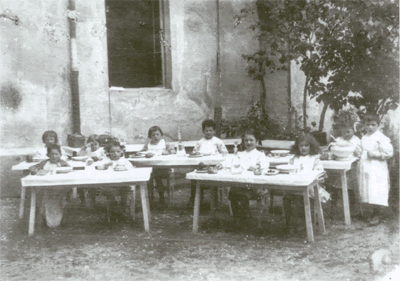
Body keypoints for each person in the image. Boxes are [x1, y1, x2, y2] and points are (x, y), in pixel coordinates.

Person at [218, 128, 270, 222]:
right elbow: (231, 161)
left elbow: (265, 164)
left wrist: (257, 166)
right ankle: (238, 218)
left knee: (243, 194)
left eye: (251, 140)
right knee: (233, 193)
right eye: (246, 140)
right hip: (241, 184)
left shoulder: (260, 155)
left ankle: (245, 217)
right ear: (243, 142)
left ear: (257, 141)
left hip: (254, 186)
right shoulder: (240, 154)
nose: (249, 142)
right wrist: (221, 165)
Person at [283, 134, 330, 230]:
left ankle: (308, 223)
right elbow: (289, 170)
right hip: (295, 185)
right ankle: (290, 223)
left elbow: (319, 173)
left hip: (310, 188)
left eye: (306, 145)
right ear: (297, 147)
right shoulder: (294, 158)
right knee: (288, 196)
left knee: (307, 196)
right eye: (301, 145)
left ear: (311, 146)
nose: (303, 148)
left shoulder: (314, 158)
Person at [358, 113, 393, 226]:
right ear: (364, 125)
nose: (370, 127)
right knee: (367, 189)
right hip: (366, 167)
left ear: (378, 125)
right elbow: (361, 149)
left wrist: (375, 154)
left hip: (377, 168)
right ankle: (371, 211)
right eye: (367, 125)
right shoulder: (364, 137)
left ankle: (377, 213)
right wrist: (358, 152)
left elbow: (388, 153)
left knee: (376, 189)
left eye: (373, 125)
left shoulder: (381, 138)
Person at [29, 144, 71, 228]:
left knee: (61, 203)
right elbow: (33, 167)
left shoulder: (63, 163)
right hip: (47, 188)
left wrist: (61, 169)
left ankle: (62, 219)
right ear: (48, 155)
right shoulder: (45, 162)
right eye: (52, 154)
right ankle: (45, 219)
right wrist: (35, 169)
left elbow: (69, 170)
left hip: (60, 188)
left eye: (56, 154)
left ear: (60, 155)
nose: (54, 156)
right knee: (46, 203)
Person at [188, 120, 229, 205]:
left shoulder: (218, 141)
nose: (208, 132)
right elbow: (195, 152)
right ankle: (196, 199)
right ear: (203, 131)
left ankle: (214, 201)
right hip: (202, 165)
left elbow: (225, 152)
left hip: (213, 165)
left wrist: (220, 161)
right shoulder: (200, 142)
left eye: (211, 130)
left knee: (213, 181)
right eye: (206, 130)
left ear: (214, 131)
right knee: (194, 179)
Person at [97, 141, 134, 216]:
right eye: (112, 152)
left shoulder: (124, 161)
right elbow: (98, 167)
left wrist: (125, 168)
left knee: (126, 191)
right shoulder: (106, 161)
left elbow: (131, 170)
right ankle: (113, 208)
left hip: (123, 184)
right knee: (108, 192)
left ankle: (125, 206)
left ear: (121, 152)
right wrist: (105, 166)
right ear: (108, 152)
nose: (115, 153)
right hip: (109, 185)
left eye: (118, 151)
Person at [140, 126, 175, 204]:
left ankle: (161, 194)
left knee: (156, 174)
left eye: (157, 134)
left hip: (164, 167)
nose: (155, 136)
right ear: (150, 136)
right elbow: (141, 152)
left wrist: (168, 152)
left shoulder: (165, 144)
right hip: (151, 167)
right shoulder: (148, 145)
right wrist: (146, 153)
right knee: (149, 174)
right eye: (153, 135)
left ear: (161, 135)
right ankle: (149, 195)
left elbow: (173, 151)